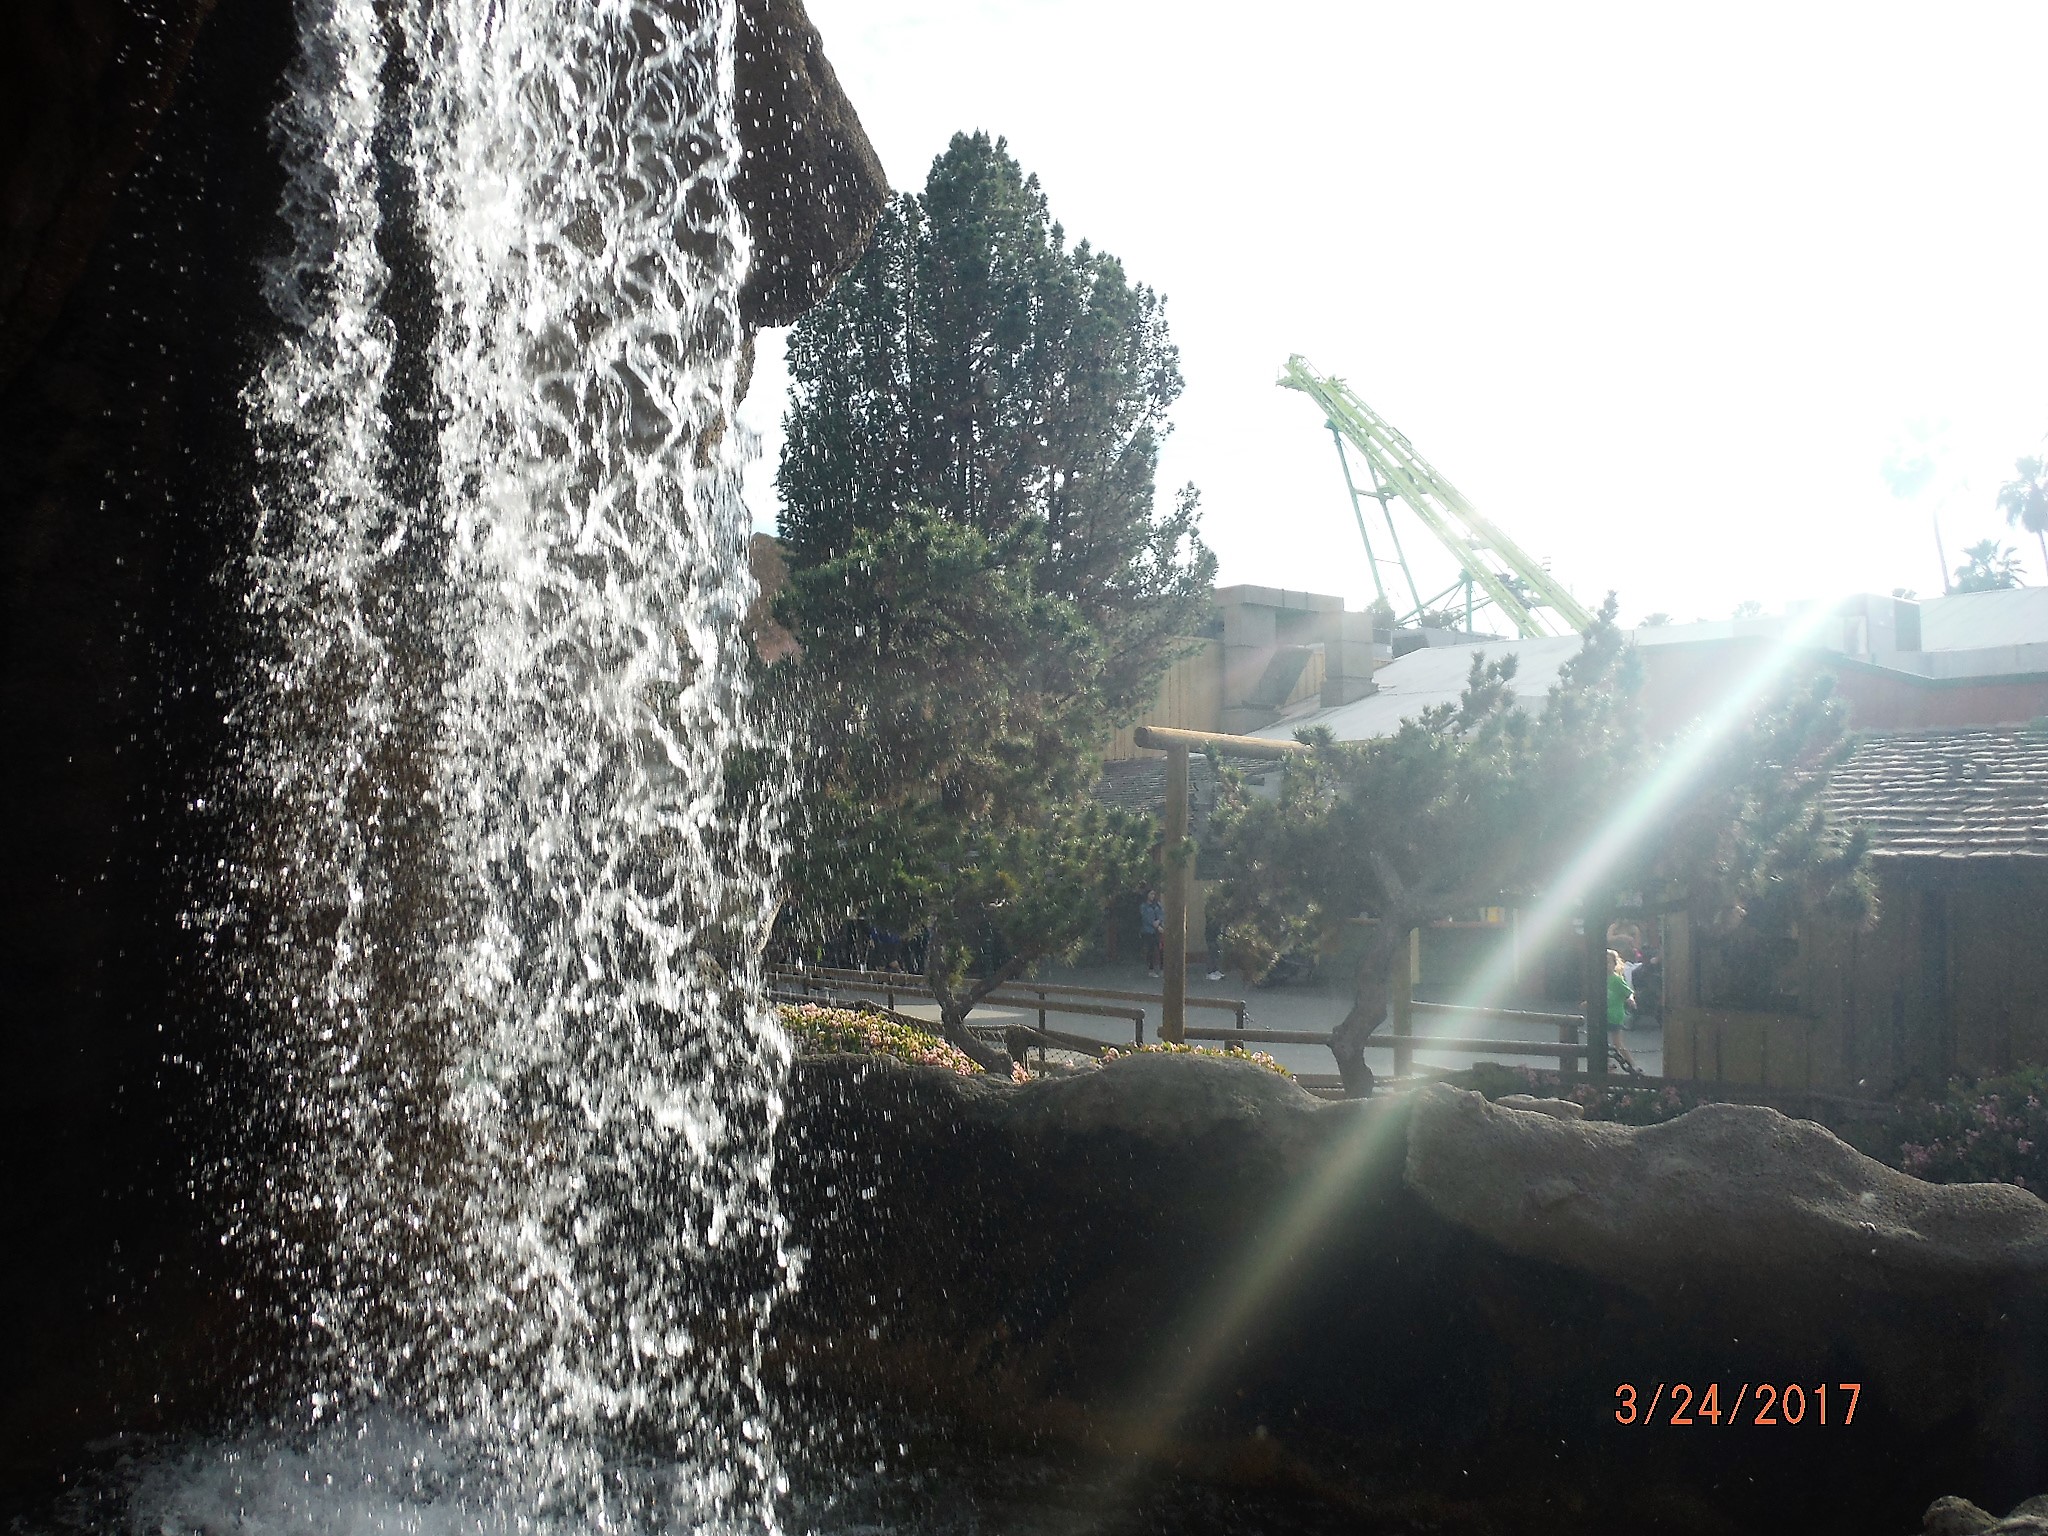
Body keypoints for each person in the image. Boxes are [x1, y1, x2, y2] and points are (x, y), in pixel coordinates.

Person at [1607, 948, 1637, 1033]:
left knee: (1616, 1040)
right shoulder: (1600, 980)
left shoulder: (1617, 979)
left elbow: (1629, 992)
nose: (1605, 965)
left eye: (1608, 962)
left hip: (1615, 1014)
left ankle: (1620, 1047)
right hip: (1604, 1014)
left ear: (1614, 964)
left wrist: (1631, 999)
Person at [1139, 890, 1165, 977]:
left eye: (1154, 894)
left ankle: (1162, 969)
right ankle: (1151, 969)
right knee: (1151, 950)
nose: (1153, 896)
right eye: (1151, 894)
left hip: (1158, 931)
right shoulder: (1144, 906)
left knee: (1161, 949)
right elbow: (1147, 918)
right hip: (1148, 931)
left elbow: (1162, 914)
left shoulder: (1158, 904)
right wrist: (1156, 926)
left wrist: (1159, 921)